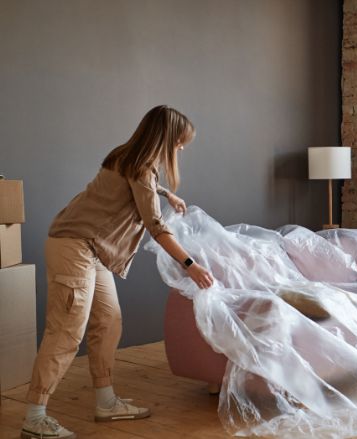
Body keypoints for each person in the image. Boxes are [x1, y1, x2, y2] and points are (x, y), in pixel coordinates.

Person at [20, 105, 215, 439]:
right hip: (75, 246)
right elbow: (155, 224)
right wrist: (190, 265)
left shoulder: (126, 157)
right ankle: (34, 417)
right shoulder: (139, 166)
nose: (181, 149)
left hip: (93, 250)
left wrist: (167, 193)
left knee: (109, 323)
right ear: (166, 140)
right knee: (65, 332)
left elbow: (142, 186)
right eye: (179, 143)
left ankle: (106, 402)